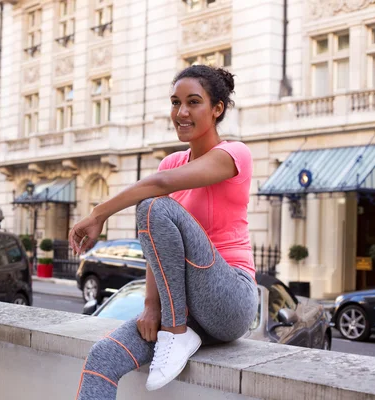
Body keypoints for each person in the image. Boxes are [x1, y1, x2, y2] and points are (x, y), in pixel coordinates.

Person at [69, 65, 258, 399]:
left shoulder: (234, 154)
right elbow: (159, 246)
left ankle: (174, 332)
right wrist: (150, 305)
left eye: (193, 102)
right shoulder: (170, 162)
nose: (181, 112)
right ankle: (176, 329)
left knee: (153, 204)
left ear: (217, 109)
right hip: (185, 310)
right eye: (175, 102)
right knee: (102, 357)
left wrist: (98, 214)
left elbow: (158, 189)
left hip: (229, 298)